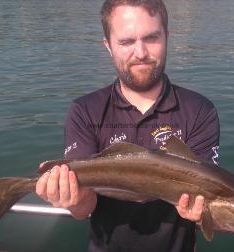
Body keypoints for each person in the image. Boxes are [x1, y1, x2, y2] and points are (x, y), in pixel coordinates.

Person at [36, 0, 220, 251]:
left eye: (151, 38)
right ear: (108, 46)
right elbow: (83, 210)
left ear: (167, 37)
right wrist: (72, 199)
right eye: (126, 42)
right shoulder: (85, 111)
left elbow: (209, 199)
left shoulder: (200, 110)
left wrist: (203, 214)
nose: (141, 52)